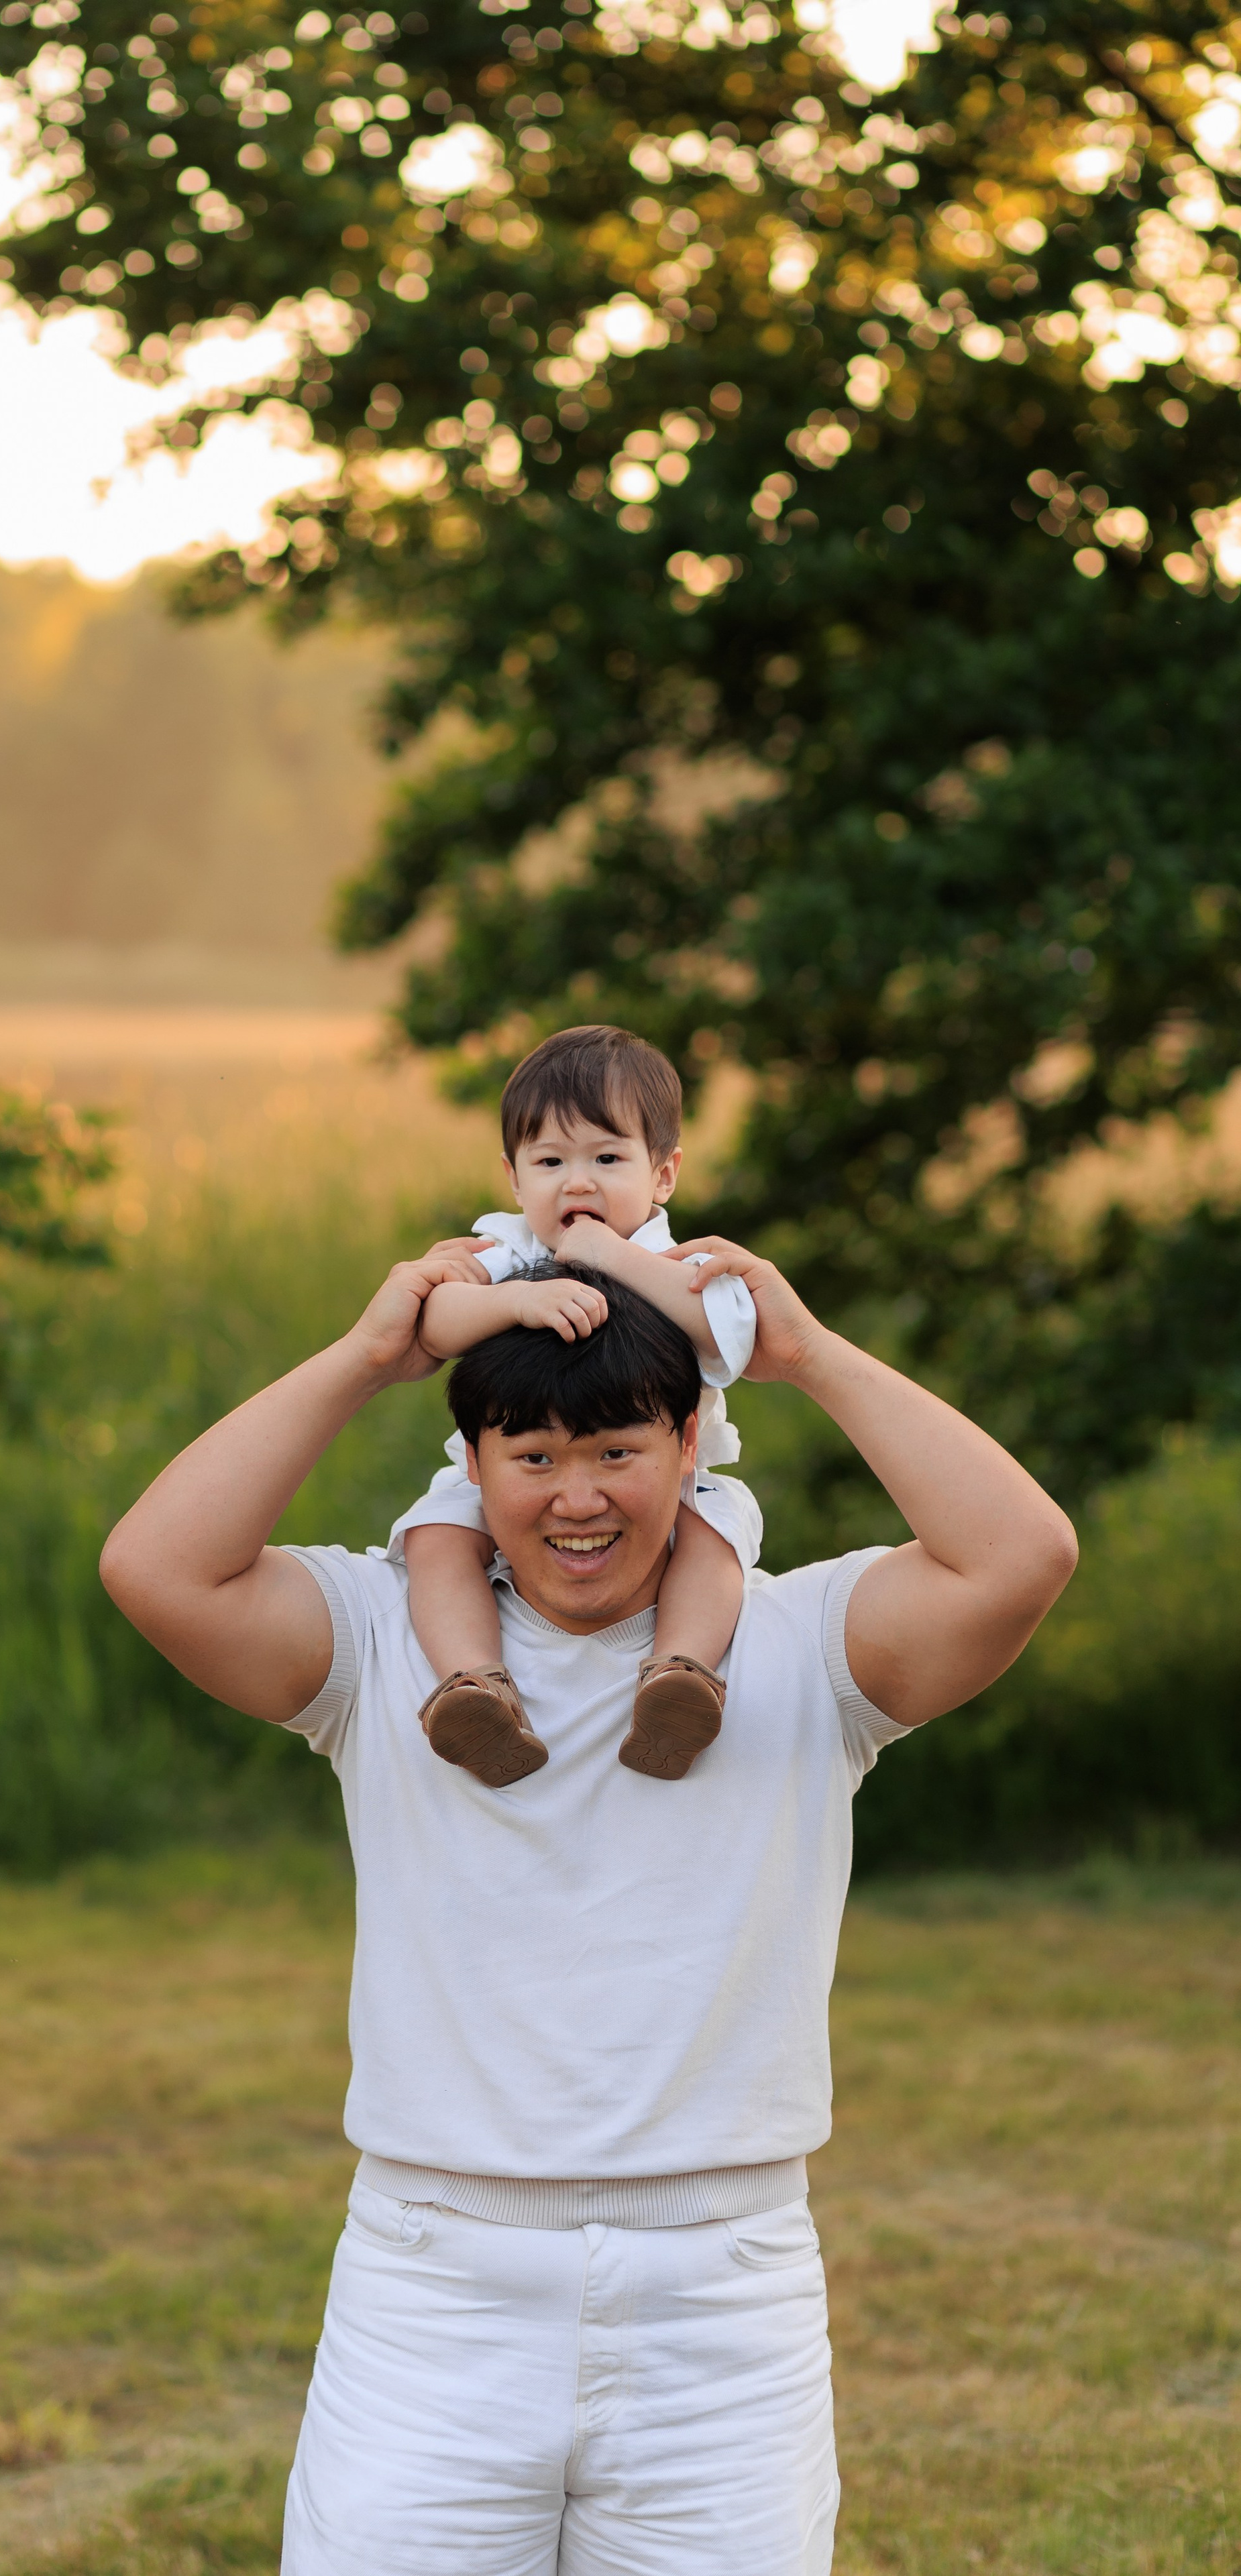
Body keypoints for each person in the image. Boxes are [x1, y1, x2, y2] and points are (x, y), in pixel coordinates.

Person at [99, 1229, 1076, 2576]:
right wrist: (360, 1360)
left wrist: (798, 1353)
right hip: (434, 2282)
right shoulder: (384, 1637)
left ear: (689, 1446)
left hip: (719, 2299)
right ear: (472, 1466)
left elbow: (1020, 1554)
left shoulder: (797, 1642)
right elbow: (155, 1567)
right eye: (532, 1457)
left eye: (617, 1451)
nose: (575, 1500)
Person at [395, 1021, 763, 1789]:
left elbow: (727, 1336)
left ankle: (680, 1676)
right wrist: (517, 1301)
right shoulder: (508, 1251)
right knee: (435, 1539)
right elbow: (431, 1325)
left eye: (606, 1158)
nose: (577, 1184)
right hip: (504, 1470)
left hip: (671, 1483)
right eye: (550, 1162)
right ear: (513, 1176)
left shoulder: (678, 1260)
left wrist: (608, 1256)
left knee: (715, 1540)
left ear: (662, 1174)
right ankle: (475, 1689)